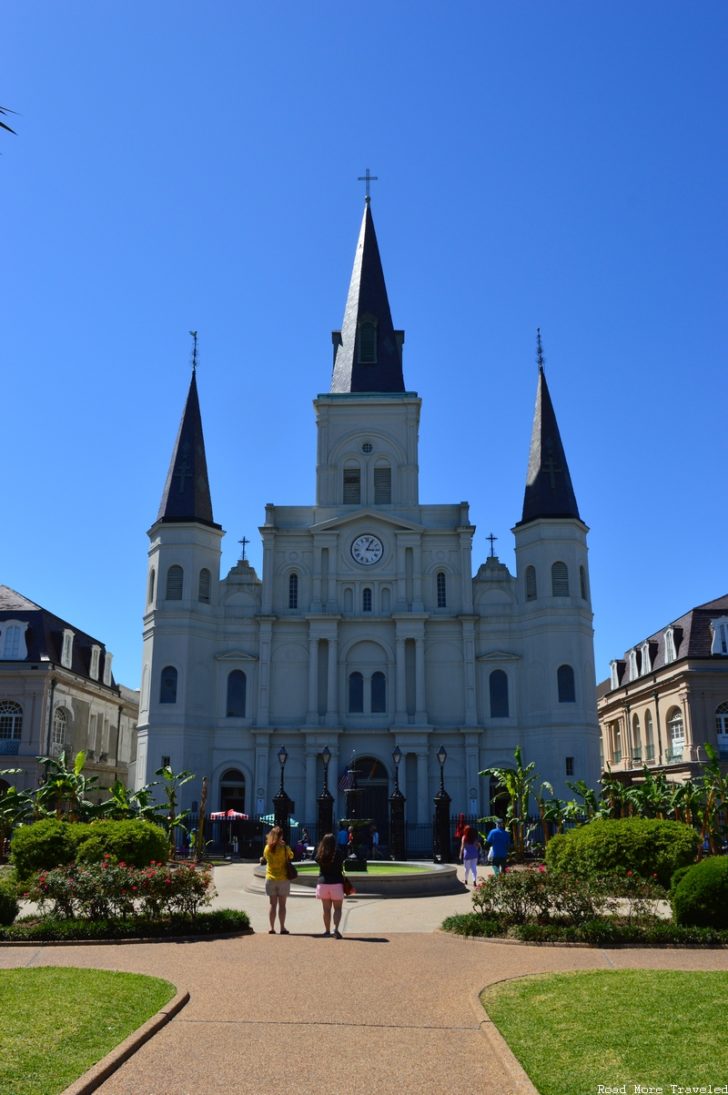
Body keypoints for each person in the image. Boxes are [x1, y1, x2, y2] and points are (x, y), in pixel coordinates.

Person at [262, 825, 294, 934]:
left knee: (272, 905)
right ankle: (282, 927)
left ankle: (271, 928)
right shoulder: (284, 848)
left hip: (270, 878)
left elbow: (265, 857)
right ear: (281, 836)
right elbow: (291, 856)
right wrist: (284, 846)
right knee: (282, 905)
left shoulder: (267, 848)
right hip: (283, 879)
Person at [315, 832, 346, 939]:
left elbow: (316, 860)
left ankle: (327, 931)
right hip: (336, 883)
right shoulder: (338, 853)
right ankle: (336, 929)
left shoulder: (320, 853)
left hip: (323, 883)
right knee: (338, 909)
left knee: (326, 910)